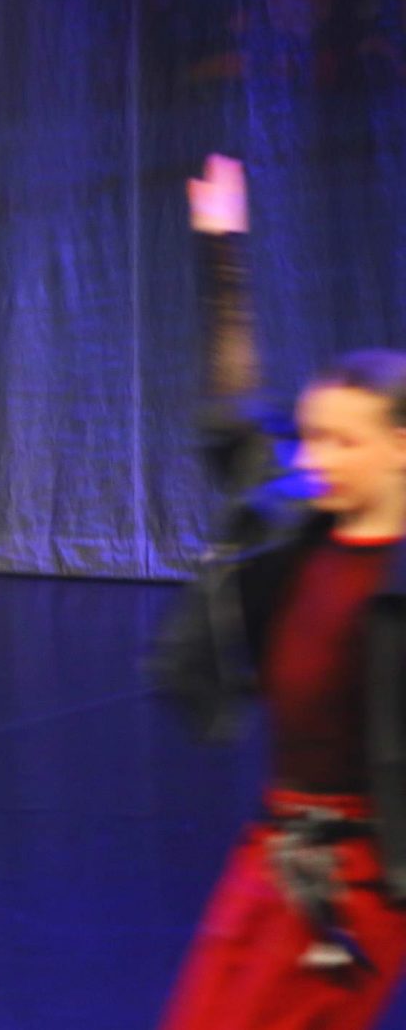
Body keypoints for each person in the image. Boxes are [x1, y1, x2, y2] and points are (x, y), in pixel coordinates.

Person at [153, 156, 406, 1028]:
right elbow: (233, 415)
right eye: (310, 437)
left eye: (341, 442)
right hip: (272, 848)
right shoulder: (297, 527)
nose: (314, 459)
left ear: (400, 447)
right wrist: (222, 253)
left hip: (364, 879)